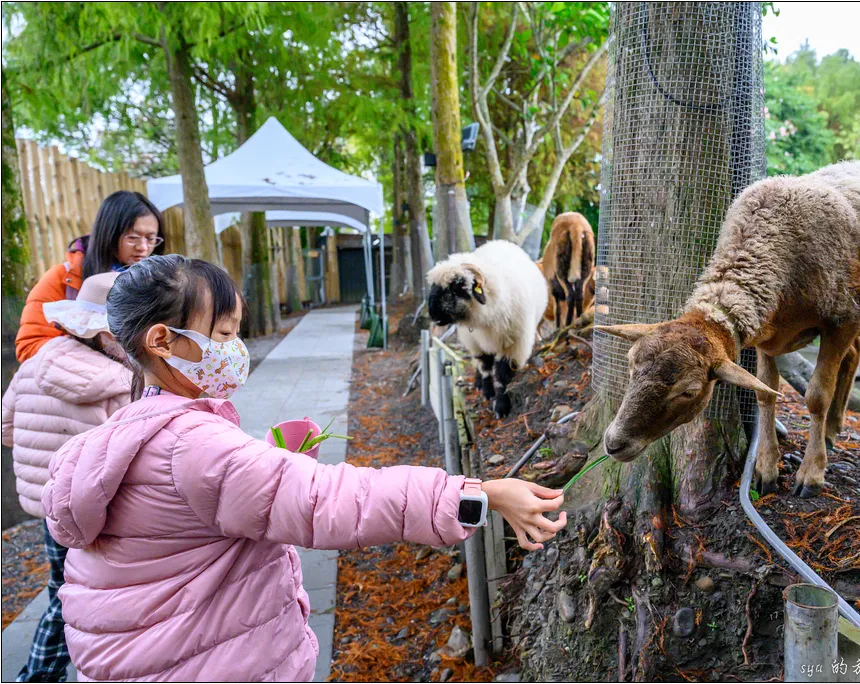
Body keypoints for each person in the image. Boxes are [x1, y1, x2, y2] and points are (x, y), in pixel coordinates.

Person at [42, 255, 567, 681]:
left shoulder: (126, 432)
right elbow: (333, 500)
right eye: (223, 336)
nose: (235, 349)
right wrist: (483, 494)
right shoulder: (193, 446)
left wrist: (273, 472)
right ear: (161, 342)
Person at [2, 272, 132, 683]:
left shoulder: (35, 364)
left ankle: (40, 674)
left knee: (62, 591)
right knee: (108, 596)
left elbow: (6, 428)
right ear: (111, 336)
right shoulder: (123, 382)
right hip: (100, 510)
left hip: (47, 505)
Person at [15, 191, 164, 363]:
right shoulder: (63, 278)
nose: (143, 247)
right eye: (133, 237)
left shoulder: (161, 282)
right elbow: (29, 346)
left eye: (151, 239)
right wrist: (98, 362)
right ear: (109, 234)